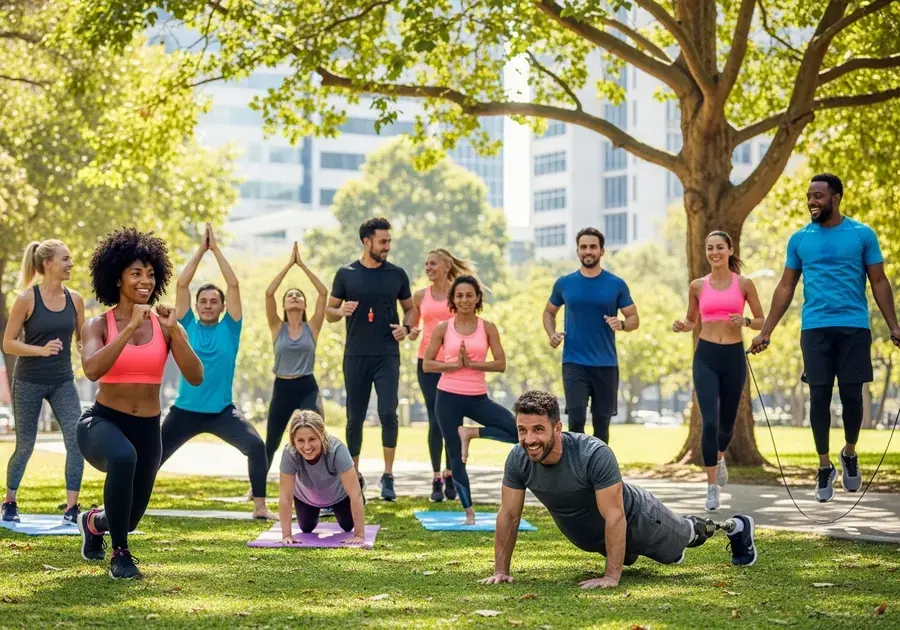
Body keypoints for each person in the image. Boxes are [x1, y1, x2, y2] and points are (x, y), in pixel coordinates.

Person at [479, 390, 758, 590]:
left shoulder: (592, 454)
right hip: (602, 538)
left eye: (538, 429)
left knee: (685, 540)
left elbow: (615, 516)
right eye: (522, 430)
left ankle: (733, 526)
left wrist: (611, 577)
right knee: (633, 557)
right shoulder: (518, 458)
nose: (529, 439)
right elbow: (509, 515)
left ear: (558, 428)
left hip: (641, 519)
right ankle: (631, 553)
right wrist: (501, 572)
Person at [750, 173, 900, 503]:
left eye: (818, 196)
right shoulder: (800, 239)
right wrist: (766, 332)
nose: (811, 202)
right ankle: (823, 465)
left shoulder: (862, 235)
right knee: (818, 397)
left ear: (836, 197)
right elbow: (786, 287)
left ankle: (849, 452)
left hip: (854, 326)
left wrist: (894, 326)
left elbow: (879, 282)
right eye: (809, 196)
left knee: (851, 396)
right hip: (815, 327)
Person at [76, 228, 204, 580]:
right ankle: (121, 555)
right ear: (117, 278)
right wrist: (130, 328)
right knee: (122, 457)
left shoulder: (165, 326)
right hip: (101, 423)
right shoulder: (97, 324)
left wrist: (175, 331)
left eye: (150, 274)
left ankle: (93, 522)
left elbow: (195, 376)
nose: (145, 280)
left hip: (148, 429)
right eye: (136, 273)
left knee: (128, 517)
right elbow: (91, 369)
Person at [158, 224, 273, 520]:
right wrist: (201, 250)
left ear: (223, 307)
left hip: (221, 411)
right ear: (195, 306)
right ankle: (128, 502)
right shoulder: (186, 325)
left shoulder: (230, 329)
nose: (208, 305)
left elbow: (233, 285)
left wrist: (216, 250)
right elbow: (182, 286)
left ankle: (260, 506)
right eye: (204, 302)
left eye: (214, 302)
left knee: (256, 446)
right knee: (151, 456)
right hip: (184, 411)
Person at [672, 231, 765, 511]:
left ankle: (720, 456)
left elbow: (762, 320)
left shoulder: (745, 284)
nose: (714, 252)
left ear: (730, 249)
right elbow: (692, 320)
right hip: (707, 357)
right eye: (709, 248)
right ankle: (711, 487)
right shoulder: (698, 286)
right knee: (709, 422)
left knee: (727, 425)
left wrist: (746, 320)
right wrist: (683, 325)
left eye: (719, 247)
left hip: (734, 357)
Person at [325, 217, 415, 502]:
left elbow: (411, 309)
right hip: (356, 354)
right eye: (383, 241)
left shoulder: (397, 275)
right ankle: (355, 476)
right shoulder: (346, 273)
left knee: (388, 413)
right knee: (355, 417)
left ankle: (388, 476)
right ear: (367, 242)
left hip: (387, 354)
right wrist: (341, 312)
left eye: (389, 241)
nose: (387, 246)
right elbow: (329, 312)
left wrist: (407, 328)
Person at [2, 239, 85, 524]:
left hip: (63, 380)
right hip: (29, 380)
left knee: (76, 442)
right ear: (47, 263)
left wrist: (91, 351)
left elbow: (82, 339)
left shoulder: (75, 299)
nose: (70, 264)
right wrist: (40, 349)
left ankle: (72, 508)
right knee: (25, 445)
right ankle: (10, 501)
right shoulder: (27, 299)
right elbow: (8, 343)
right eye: (65, 259)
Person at [423, 275, 517, 525]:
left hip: (477, 397)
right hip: (448, 398)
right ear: (453, 299)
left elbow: (500, 363)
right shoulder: (444, 328)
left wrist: (472, 363)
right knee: (455, 458)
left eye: (469, 295)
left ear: (477, 298)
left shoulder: (488, 327)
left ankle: (472, 433)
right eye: (459, 295)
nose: (464, 299)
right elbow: (428, 364)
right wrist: (452, 364)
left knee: (516, 431)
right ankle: (469, 512)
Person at [543, 227, 639, 443]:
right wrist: (552, 334)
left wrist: (622, 324)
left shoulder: (616, 284)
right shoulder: (564, 283)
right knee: (576, 421)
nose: (588, 251)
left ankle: (600, 474)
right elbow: (549, 311)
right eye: (583, 247)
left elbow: (634, 318)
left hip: (606, 364)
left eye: (593, 247)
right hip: (574, 362)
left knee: (602, 425)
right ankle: (576, 473)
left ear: (602, 251)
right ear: (577, 251)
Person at [408, 249, 478, 502]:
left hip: (454, 364)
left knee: (454, 420)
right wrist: (412, 331)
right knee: (435, 419)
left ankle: (452, 474)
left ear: (447, 266)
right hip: (427, 364)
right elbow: (414, 324)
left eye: (433, 263)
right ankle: (437, 476)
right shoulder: (419, 296)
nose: (428, 267)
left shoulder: (458, 294)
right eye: (426, 263)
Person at [263, 241, 328, 477]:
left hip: (306, 386)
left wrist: (302, 266)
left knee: (317, 432)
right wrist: (289, 265)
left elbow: (323, 292)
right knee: (271, 440)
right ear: (284, 304)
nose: (293, 297)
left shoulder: (312, 327)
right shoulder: (276, 327)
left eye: (298, 295)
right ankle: (256, 486)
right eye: (289, 295)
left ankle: (322, 479)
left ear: (304, 304)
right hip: (282, 386)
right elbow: (269, 292)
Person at [278, 410, 367, 547]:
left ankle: (358, 480)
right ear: (293, 439)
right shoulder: (290, 452)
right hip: (306, 496)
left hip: (339, 495)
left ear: (322, 436)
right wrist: (286, 535)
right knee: (306, 528)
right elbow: (285, 497)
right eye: (300, 440)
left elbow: (355, 495)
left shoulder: (337, 450)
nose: (307, 446)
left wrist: (359, 535)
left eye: (312, 439)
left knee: (348, 526)